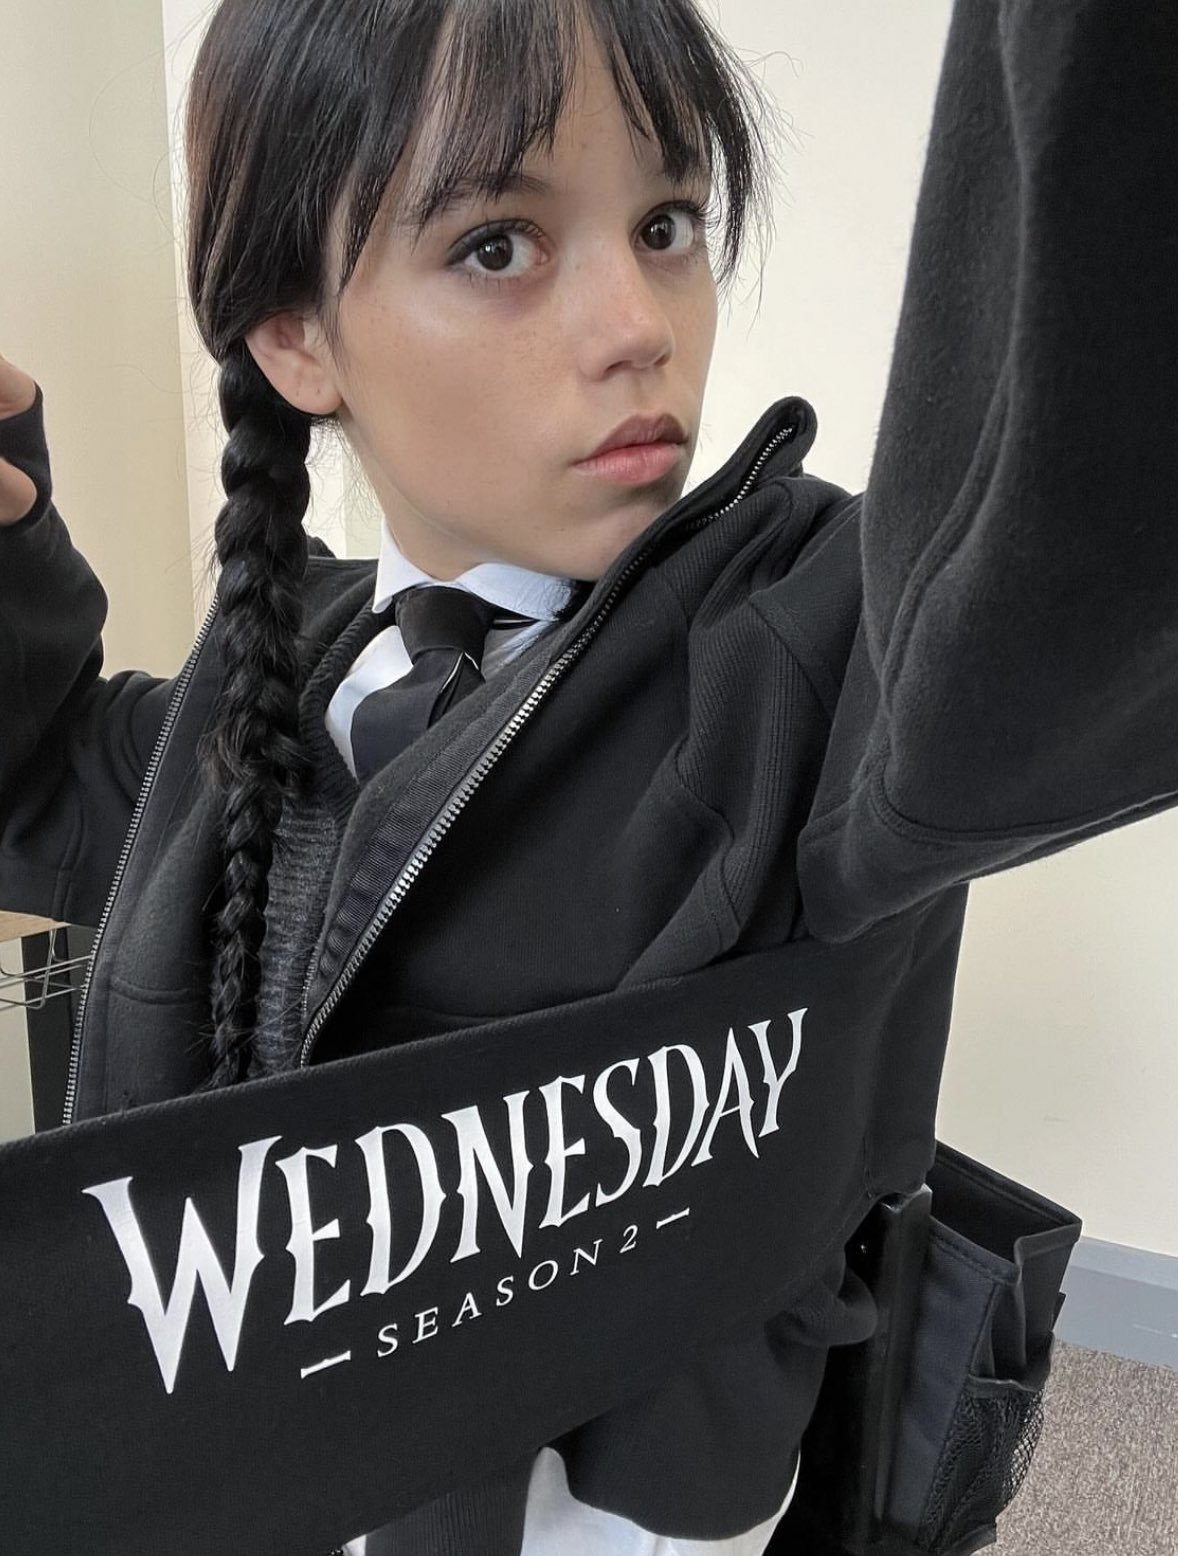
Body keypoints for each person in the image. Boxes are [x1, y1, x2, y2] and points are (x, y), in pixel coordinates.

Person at [0, 1, 1175, 1553]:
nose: (640, 322)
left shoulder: (810, 653)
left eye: (666, 223)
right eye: (498, 245)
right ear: (296, 338)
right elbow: (41, 789)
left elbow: (1061, 583)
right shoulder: (276, 669)